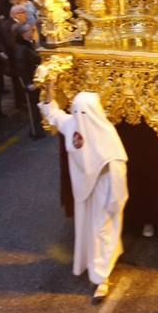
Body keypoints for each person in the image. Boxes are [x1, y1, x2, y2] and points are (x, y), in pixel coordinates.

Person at [41, 89, 129, 300]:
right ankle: (92, 263)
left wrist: (116, 201)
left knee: (102, 231)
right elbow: (53, 113)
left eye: (83, 112)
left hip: (103, 190)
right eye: (76, 112)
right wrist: (49, 90)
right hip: (82, 190)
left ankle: (101, 278)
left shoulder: (105, 135)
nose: (80, 117)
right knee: (88, 230)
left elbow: (117, 170)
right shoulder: (73, 125)